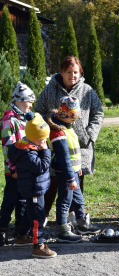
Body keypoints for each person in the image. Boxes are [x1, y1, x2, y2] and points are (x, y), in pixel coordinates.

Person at [35, 56, 104, 224]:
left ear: (80, 73)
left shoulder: (87, 90)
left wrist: (90, 134)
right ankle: (43, 215)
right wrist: (50, 121)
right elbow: (38, 112)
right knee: (52, 180)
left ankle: (74, 215)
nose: (72, 76)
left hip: (80, 146)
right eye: (68, 72)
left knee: (77, 181)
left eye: (76, 72)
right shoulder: (50, 90)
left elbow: (98, 113)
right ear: (61, 72)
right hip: (54, 144)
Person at [46, 97, 100, 243]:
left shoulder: (68, 128)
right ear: (66, 115)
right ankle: (63, 230)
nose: (76, 121)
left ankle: (82, 223)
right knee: (65, 200)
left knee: (78, 198)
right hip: (65, 174)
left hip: (74, 172)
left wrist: (78, 169)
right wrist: (70, 178)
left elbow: (74, 152)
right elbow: (64, 158)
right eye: (74, 117)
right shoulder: (58, 133)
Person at [7, 112, 57, 258]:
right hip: (34, 189)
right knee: (38, 218)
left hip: (35, 187)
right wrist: (46, 150)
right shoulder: (28, 153)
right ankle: (38, 246)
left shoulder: (28, 147)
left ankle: (22, 236)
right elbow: (42, 166)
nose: (44, 141)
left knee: (31, 214)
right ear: (34, 138)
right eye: (42, 139)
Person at [0, 82, 35, 246]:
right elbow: (8, 147)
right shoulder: (9, 120)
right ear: (20, 100)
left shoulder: (24, 119)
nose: (31, 105)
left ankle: (20, 231)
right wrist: (14, 167)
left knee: (22, 199)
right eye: (30, 101)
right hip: (14, 170)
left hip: (24, 169)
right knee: (10, 199)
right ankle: (2, 229)